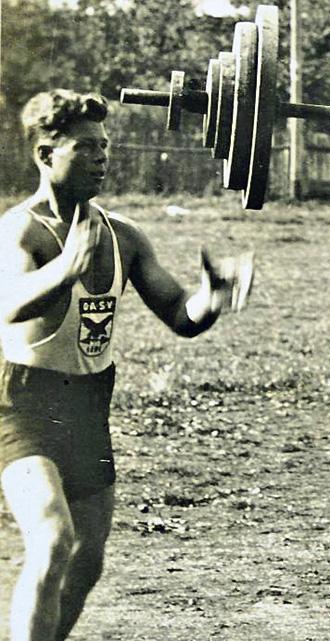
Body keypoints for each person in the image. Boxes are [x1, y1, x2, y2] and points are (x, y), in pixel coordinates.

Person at [0, 89, 253, 641]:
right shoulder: (19, 230)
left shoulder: (124, 236)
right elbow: (10, 304)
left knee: (87, 559)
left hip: (88, 404)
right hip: (24, 403)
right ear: (45, 154)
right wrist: (66, 269)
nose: (101, 157)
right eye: (85, 147)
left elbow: (179, 315)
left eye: (105, 145)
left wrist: (211, 297)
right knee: (52, 538)